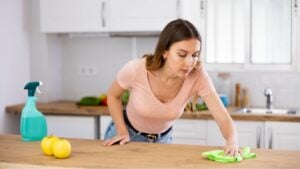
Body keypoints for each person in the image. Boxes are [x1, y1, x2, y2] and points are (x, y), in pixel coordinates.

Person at [103, 19, 239, 156]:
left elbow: (223, 117)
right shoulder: (136, 69)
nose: (189, 63)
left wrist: (232, 141)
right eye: (182, 55)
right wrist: (121, 131)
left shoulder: (198, 76)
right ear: (164, 52)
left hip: (163, 141)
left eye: (195, 55)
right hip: (126, 137)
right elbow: (113, 96)